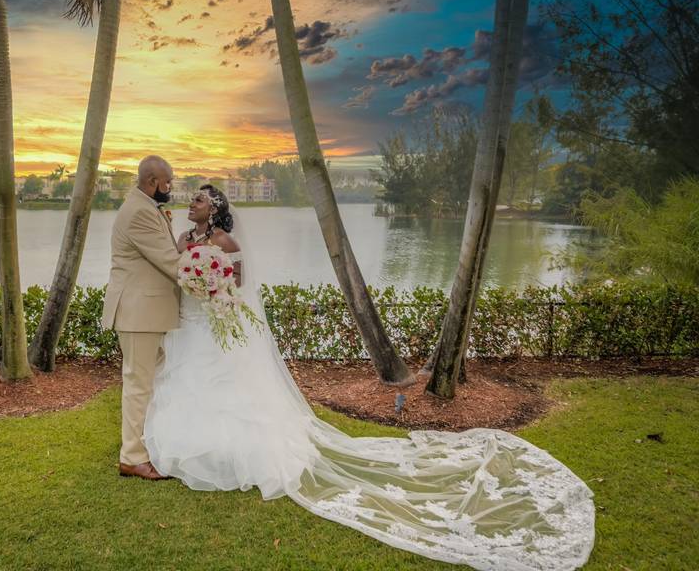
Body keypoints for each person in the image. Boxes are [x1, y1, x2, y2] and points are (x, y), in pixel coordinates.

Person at [142, 184, 597, 571]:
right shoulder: (184, 238)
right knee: (190, 381)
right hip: (194, 324)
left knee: (227, 387)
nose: (192, 204)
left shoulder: (226, 243)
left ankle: (238, 450)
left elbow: (239, 286)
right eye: (192, 200)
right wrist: (193, 282)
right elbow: (175, 271)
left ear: (215, 209)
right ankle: (198, 445)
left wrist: (214, 286)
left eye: (199, 200)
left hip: (218, 320)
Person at [101, 155, 180, 481]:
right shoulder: (138, 214)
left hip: (147, 312)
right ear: (152, 182)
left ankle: (146, 444)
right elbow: (170, 262)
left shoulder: (146, 207)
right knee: (138, 384)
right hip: (138, 313)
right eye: (168, 181)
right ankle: (132, 457)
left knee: (152, 382)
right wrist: (214, 281)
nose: (171, 187)